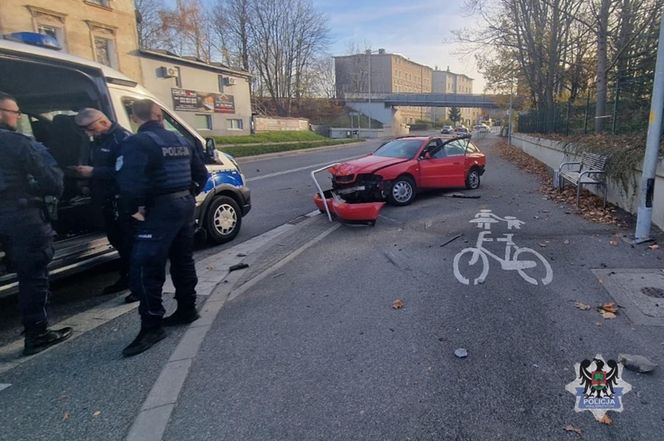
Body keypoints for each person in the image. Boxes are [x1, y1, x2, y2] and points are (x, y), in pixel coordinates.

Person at [117, 99, 208, 357]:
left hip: (157, 209)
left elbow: (129, 182)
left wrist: (133, 209)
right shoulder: (181, 140)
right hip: (184, 204)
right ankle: (187, 309)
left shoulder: (137, 142)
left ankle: (152, 326)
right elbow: (200, 175)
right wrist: (187, 195)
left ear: (135, 117)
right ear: (159, 115)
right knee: (182, 259)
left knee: (146, 267)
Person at [0, 91, 73, 356]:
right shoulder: (17, 142)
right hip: (21, 217)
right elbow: (51, 181)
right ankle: (37, 333)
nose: (18, 117)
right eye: (14, 112)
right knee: (32, 275)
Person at [72, 109, 138, 302]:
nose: (89, 134)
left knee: (130, 244)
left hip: (123, 200)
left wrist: (93, 172)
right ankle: (127, 277)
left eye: (91, 129)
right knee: (118, 241)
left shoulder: (123, 139)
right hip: (107, 200)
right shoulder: (97, 141)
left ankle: (139, 284)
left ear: (103, 122)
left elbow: (126, 172)